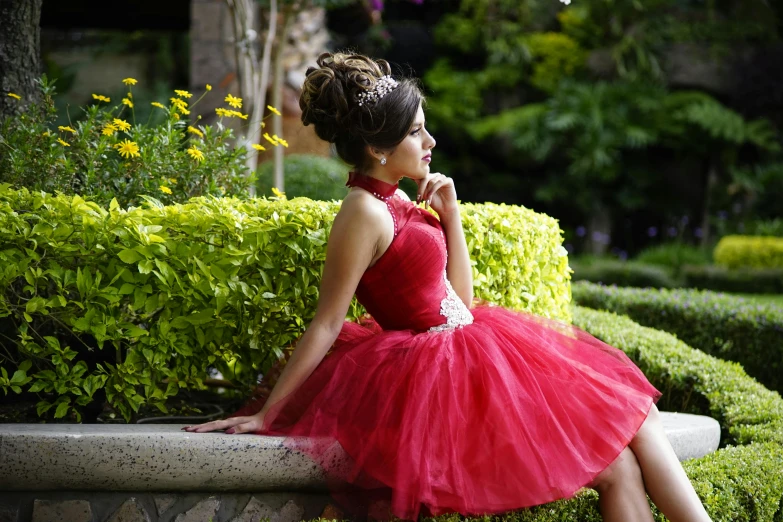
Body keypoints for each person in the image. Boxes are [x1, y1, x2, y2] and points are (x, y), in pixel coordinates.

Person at [184, 52, 712, 522]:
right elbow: (328, 321)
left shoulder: (398, 201)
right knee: (626, 436)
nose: (430, 141)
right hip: (439, 380)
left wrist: (451, 216)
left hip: (473, 349)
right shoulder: (363, 212)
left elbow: (459, 298)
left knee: (624, 446)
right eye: (416, 132)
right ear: (376, 146)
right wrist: (265, 413)